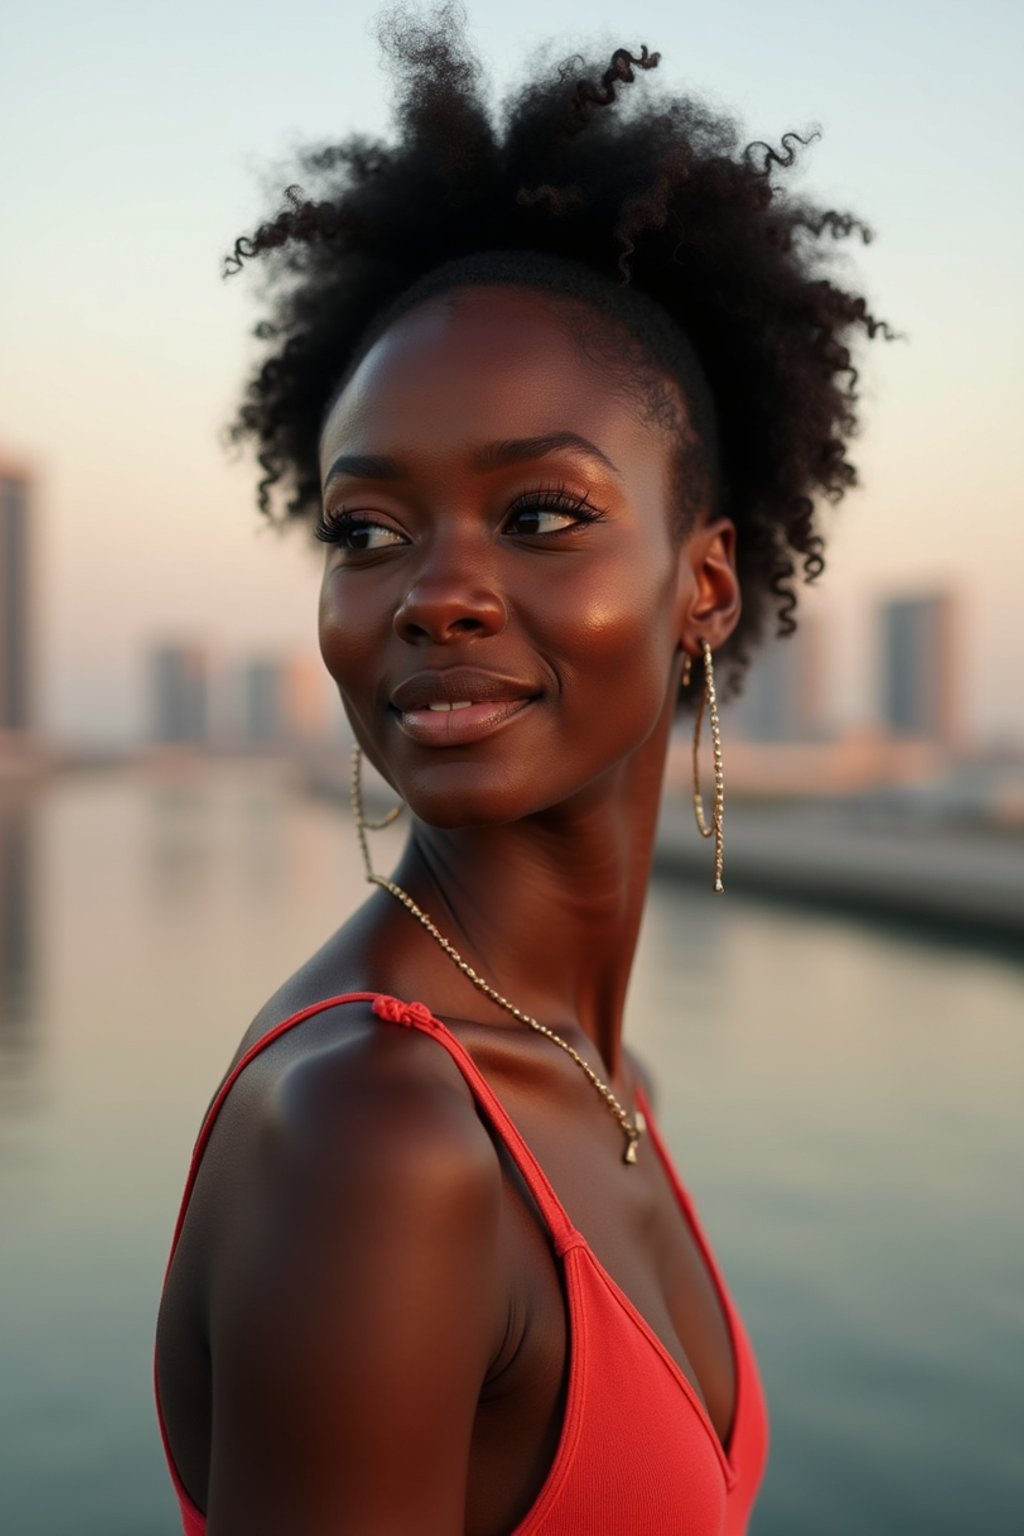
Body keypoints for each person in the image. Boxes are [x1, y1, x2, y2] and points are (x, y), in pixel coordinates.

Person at [155, 10, 890, 1533]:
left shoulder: (602, 1083)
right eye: (367, 530)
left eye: (541, 513)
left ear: (705, 584)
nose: (435, 590)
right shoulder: (377, 1141)